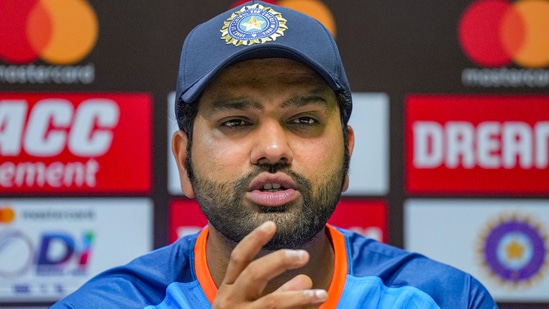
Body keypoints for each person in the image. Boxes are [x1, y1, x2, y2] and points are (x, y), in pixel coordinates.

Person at [52, 1, 498, 308]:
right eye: (236, 122)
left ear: (347, 154)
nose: (271, 150)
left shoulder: (446, 298)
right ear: (183, 159)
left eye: (303, 119)